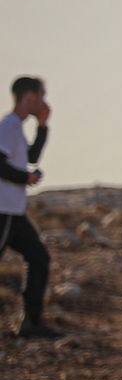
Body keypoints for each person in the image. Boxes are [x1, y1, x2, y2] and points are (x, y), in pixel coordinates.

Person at [0, 76, 61, 339]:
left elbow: (31, 156)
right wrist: (24, 178)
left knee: (38, 257)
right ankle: (30, 322)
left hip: (14, 211)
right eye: (42, 96)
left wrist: (44, 125)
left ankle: (31, 322)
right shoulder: (9, 127)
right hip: (3, 210)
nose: (44, 101)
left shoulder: (18, 128)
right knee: (37, 258)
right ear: (30, 97)